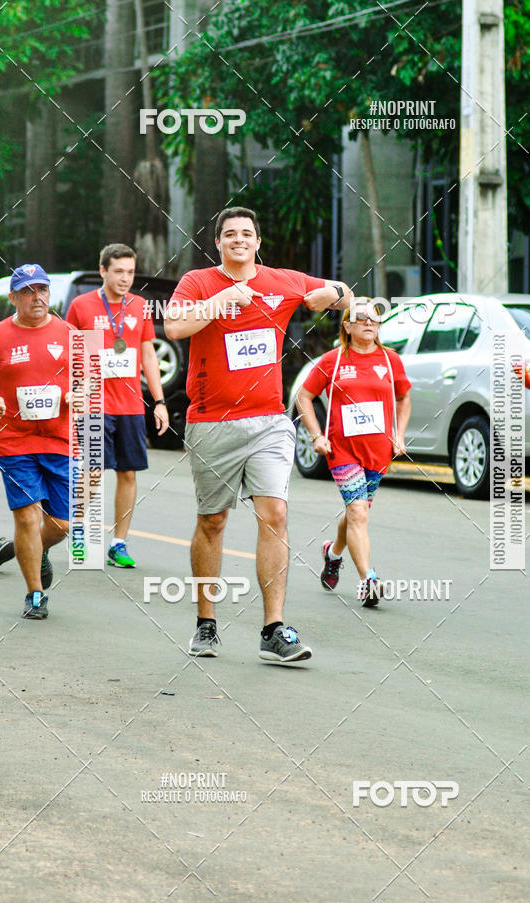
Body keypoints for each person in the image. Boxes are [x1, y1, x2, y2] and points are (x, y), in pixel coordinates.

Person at [165, 206, 352, 663]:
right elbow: (173, 325)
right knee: (214, 521)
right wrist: (220, 303)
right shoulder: (197, 282)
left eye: (246, 234)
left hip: (269, 419)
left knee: (275, 514)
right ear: (219, 244)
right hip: (212, 422)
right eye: (230, 235)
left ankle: (273, 628)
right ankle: (206, 624)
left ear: (257, 242)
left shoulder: (282, 280)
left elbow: (348, 297)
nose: (239, 240)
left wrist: (332, 292)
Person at [296, 298, 411, 606]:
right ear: (346, 326)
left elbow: (403, 398)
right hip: (342, 450)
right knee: (358, 511)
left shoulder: (390, 360)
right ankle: (368, 580)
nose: (369, 322)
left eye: (374, 318)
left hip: (379, 452)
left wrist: (399, 435)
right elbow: (303, 397)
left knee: (356, 511)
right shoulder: (332, 361)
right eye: (361, 318)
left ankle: (332, 554)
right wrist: (316, 435)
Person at [66, 244, 169, 568]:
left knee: (128, 473)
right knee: (92, 471)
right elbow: (70, 355)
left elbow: (149, 355)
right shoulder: (82, 306)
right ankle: (80, 533)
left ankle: (118, 543)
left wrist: (160, 401)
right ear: (103, 271)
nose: (126, 278)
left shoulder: (139, 306)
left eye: (130, 272)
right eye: (119, 271)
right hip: (94, 405)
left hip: (131, 405)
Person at [0, 265, 74, 618]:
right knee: (27, 517)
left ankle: (35, 550)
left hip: (59, 438)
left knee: (61, 525)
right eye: (27, 291)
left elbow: (92, 381)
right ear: (12, 297)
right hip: (14, 440)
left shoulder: (71, 334)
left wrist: (81, 393)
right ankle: (35, 594)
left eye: (42, 289)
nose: (37, 296)